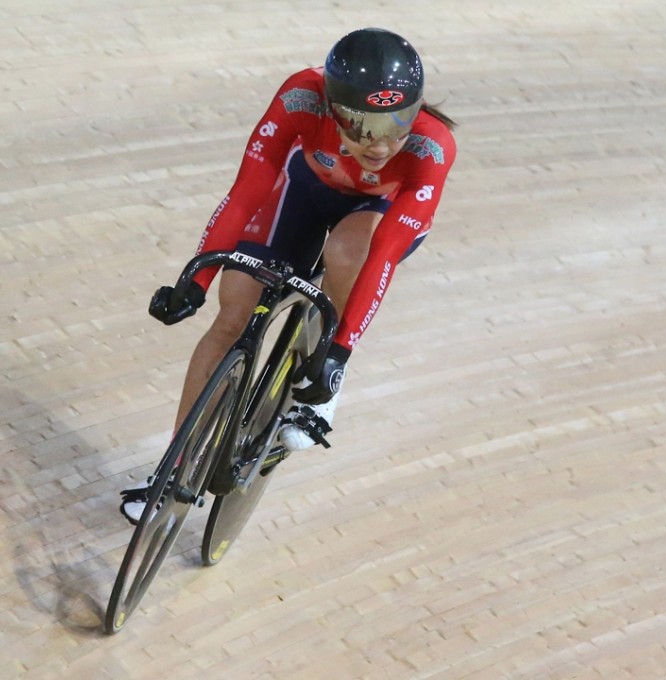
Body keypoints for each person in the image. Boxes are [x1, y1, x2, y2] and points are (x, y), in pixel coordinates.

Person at [119, 27, 457, 523]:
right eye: (363, 126)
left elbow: (383, 256)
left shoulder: (432, 148)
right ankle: (172, 471)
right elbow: (246, 192)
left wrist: (339, 355)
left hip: (375, 216)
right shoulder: (301, 95)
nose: (380, 145)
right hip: (304, 190)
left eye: (397, 124)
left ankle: (321, 384)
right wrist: (197, 279)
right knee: (233, 315)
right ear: (332, 107)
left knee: (349, 252)